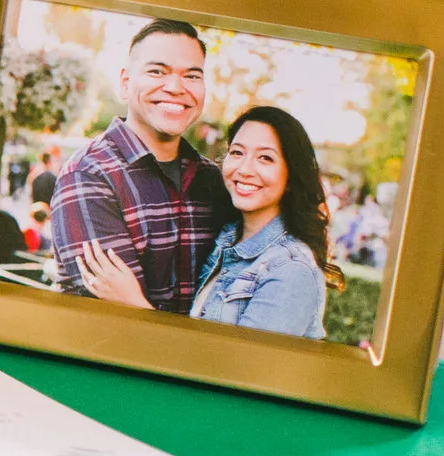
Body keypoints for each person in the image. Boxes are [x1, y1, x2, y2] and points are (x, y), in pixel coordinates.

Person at [82, 105, 338, 338]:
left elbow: (236, 374)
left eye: (265, 158)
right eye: (237, 153)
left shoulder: (291, 269)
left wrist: (134, 305)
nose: (245, 169)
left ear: (292, 177)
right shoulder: (225, 240)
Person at [46, 18, 232, 314]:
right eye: (157, 71)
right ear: (125, 83)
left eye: (192, 76)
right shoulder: (89, 175)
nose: (175, 87)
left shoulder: (212, 179)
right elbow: (116, 321)